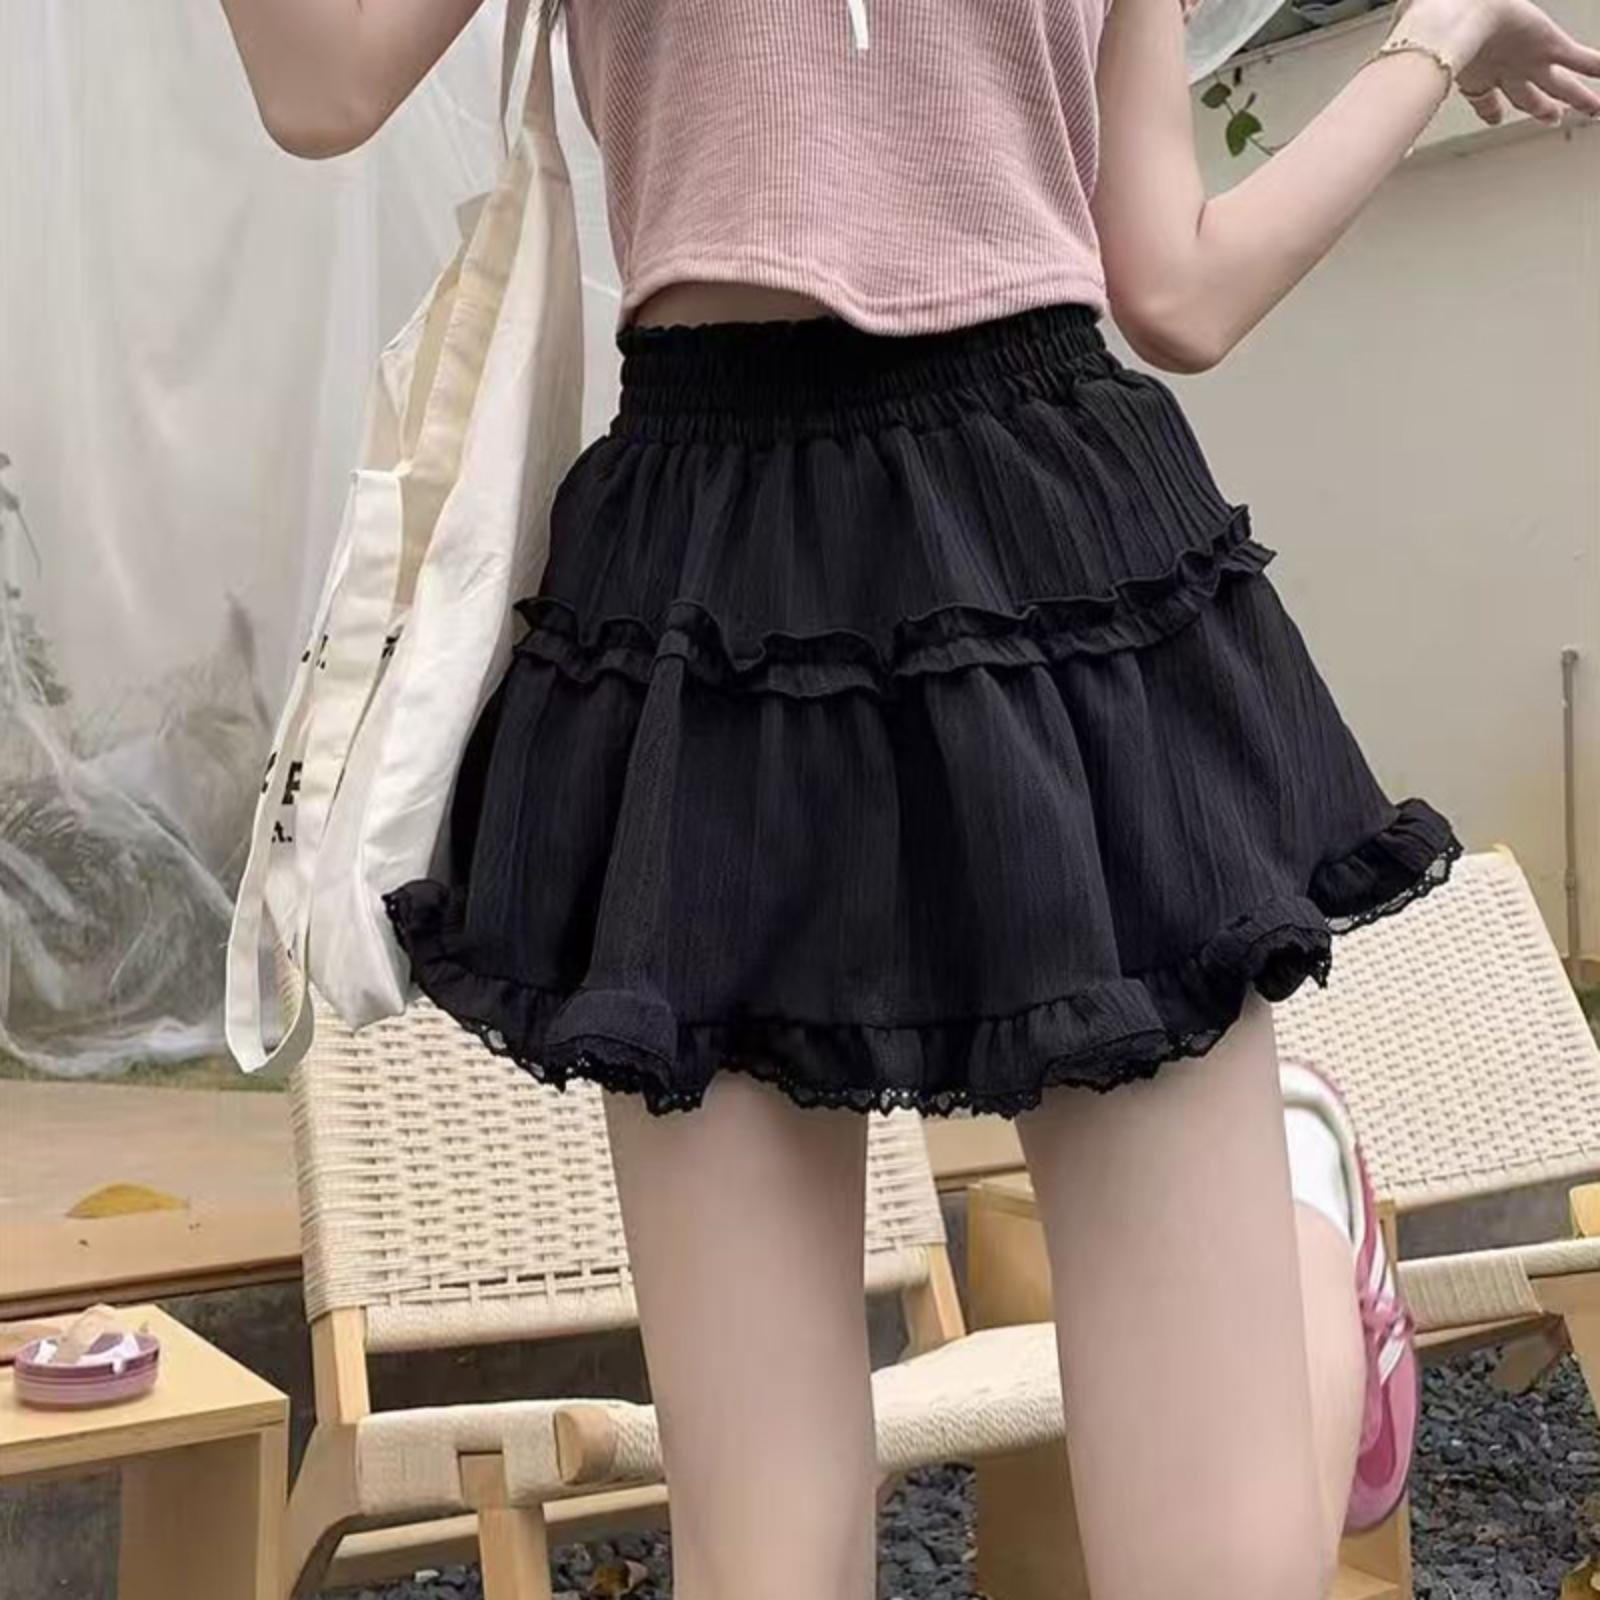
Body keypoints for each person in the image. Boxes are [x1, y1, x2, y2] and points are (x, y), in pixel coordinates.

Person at [220, 1, 1599, 1595]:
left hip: (1047, 553)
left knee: (1214, 1562)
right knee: (767, 1557)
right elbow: (322, 84)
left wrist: (1440, 31)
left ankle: (1303, 1231)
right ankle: (1292, 1220)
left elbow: (1177, 287)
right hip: (711, 581)